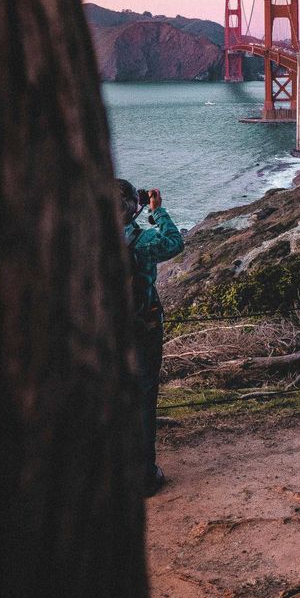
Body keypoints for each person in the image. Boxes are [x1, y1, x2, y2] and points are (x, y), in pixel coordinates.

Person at [118, 179, 184, 496]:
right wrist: (157, 211)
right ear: (134, 208)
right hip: (142, 328)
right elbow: (174, 242)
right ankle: (144, 475)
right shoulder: (142, 243)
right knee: (143, 397)